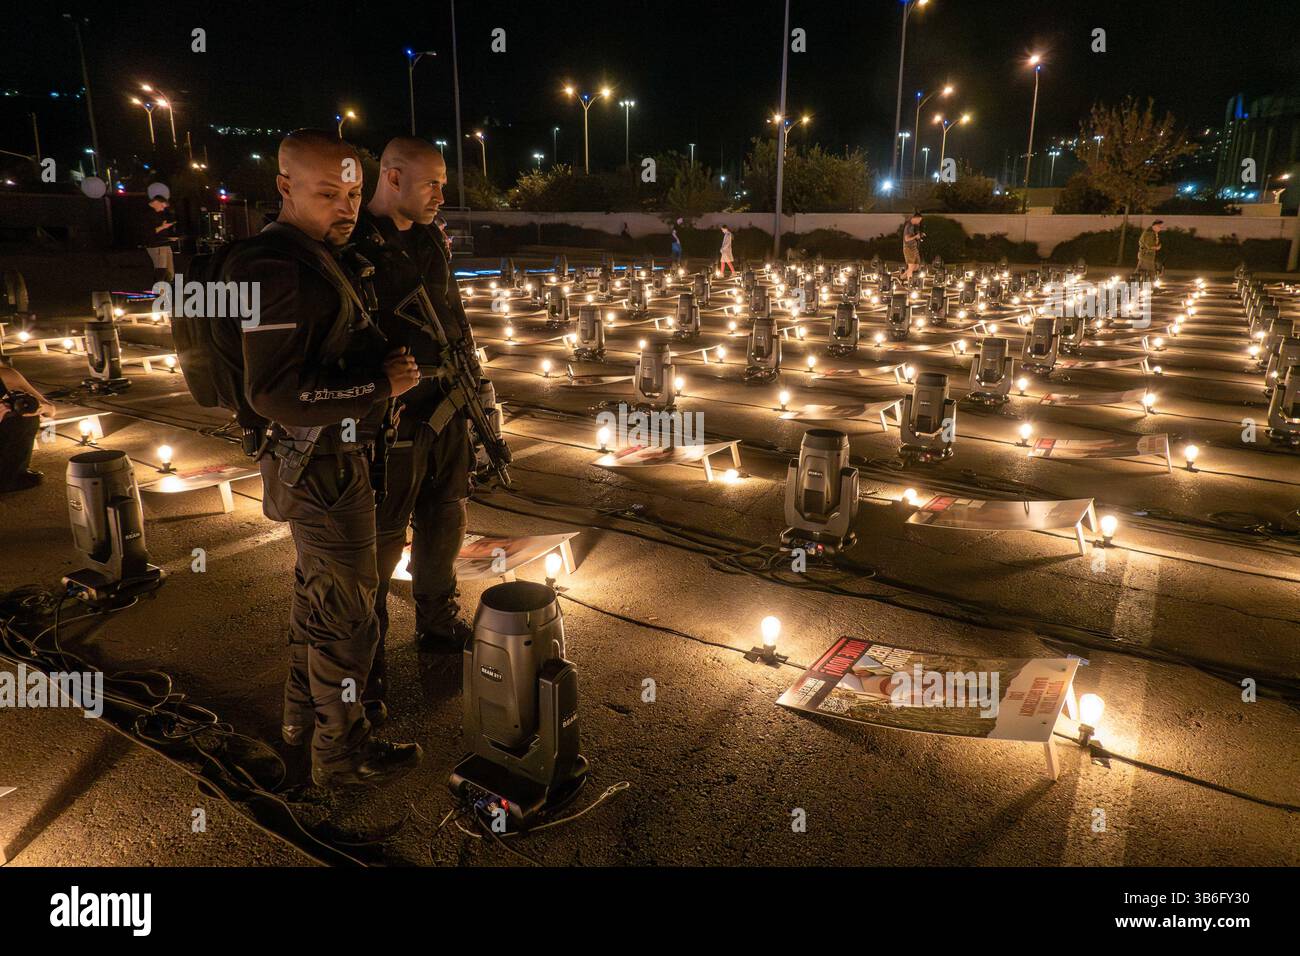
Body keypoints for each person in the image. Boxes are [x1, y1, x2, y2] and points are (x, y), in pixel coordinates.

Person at [227, 128, 423, 789]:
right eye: (328, 194)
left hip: (332, 465)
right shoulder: (276, 268)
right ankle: (340, 759)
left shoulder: (315, 254)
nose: (345, 207)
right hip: (323, 471)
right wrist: (379, 386)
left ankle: (300, 725)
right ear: (284, 187)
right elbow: (273, 391)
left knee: (320, 606)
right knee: (348, 621)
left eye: (354, 193)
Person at [352, 136, 503, 725]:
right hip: (395, 412)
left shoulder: (432, 239)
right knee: (385, 533)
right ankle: (365, 656)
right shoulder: (357, 242)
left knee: (447, 514)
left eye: (442, 183)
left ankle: (437, 622)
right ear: (391, 177)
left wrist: (477, 388)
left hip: (447, 397)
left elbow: (453, 313)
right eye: (431, 183)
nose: (443, 194)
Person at [0, 359, 55, 493]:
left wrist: (38, 408)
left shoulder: (7, 375)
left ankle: (13, 473)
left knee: (23, 416)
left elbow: (51, 410)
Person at [145, 195, 177, 281]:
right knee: (161, 270)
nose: (162, 209)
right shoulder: (147, 213)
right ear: (156, 202)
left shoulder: (159, 213)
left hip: (164, 243)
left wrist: (169, 237)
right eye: (162, 206)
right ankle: (160, 291)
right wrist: (163, 227)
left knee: (170, 271)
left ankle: (166, 289)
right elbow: (148, 232)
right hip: (156, 245)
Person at [902, 211, 924, 281]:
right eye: (919, 220)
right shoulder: (909, 226)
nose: (919, 222)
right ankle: (910, 283)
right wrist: (916, 236)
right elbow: (907, 239)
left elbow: (913, 236)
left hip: (914, 248)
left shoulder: (913, 226)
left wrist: (919, 235)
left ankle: (902, 277)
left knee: (917, 266)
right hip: (909, 248)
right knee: (911, 267)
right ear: (915, 218)